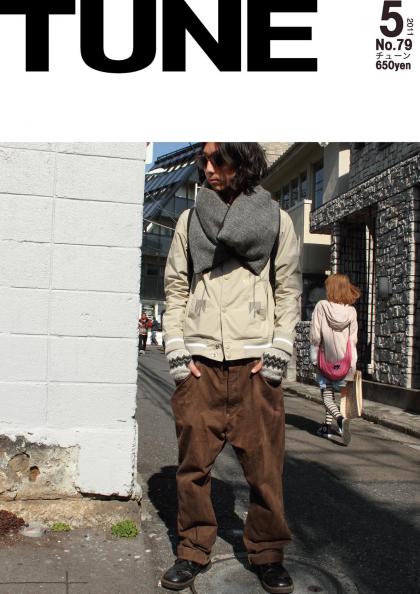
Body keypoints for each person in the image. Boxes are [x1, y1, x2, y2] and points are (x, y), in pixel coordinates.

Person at [161, 142, 301, 593]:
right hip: (200, 365)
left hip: (255, 366)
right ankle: (192, 549)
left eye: (218, 159)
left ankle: (268, 554)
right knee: (193, 468)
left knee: (265, 470)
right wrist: (178, 352)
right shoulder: (189, 220)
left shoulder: (276, 220)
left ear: (243, 161)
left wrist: (278, 352)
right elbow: (176, 288)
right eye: (203, 160)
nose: (208, 168)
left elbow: (288, 289)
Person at [309, 273, 360, 445]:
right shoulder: (351, 311)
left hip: (326, 358)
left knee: (327, 395)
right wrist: (352, 363)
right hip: (344, 361)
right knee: (335, 395)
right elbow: (353, 340)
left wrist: (314, 356)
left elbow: (316, 335)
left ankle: (340, 420)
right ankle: (326, 426)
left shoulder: (322, 306)